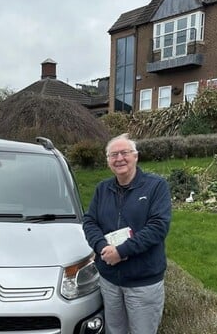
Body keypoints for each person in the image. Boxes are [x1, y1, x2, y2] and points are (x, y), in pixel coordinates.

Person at [82, 133, 172, 334]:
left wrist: (121, 251)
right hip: (110, 280)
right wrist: (102, 247)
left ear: (136, 156)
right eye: (113, 155)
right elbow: (89, 221)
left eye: (125, 153)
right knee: (115, 331)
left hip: (143, 282)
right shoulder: (102, 189)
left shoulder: (156, 186)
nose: (119, 158)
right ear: (108, 161)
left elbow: (158, 226)